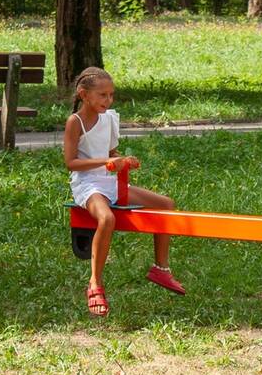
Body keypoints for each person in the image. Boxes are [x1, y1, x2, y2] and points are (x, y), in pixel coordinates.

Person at [63, 67, 185, 317]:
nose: (108, 101)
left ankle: (161, 268)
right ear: (83, 94)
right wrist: (104, 163)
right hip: (88, 184)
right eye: (102, 95)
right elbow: (71, 163)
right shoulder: (75, 122)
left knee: (166, 205)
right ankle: (95, 283)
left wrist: (123, 161)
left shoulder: (109, 118)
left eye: (111, 95)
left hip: (108, 181)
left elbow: (111, 155)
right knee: (107, 218)